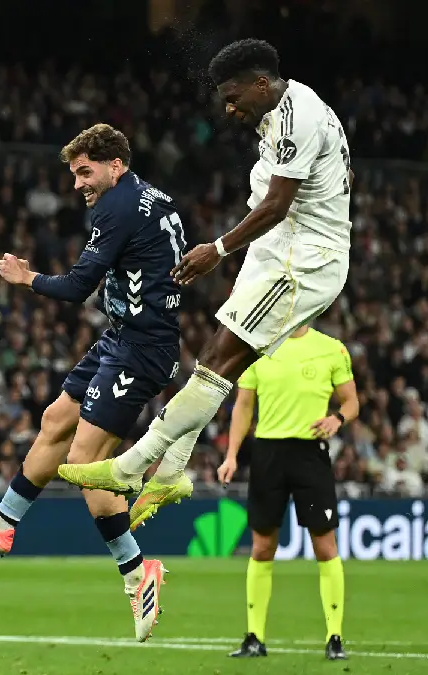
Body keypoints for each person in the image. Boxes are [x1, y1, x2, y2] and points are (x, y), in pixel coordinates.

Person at [58, 39, 354, 528]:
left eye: (234, 96)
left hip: (302, 260)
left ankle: (132, 466)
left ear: (263, 83)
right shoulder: (282, 106)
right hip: (279, 249)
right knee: (218, 366)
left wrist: (216, 250)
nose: (230, 108)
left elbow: (278, 204)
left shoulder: (297, 118)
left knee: (218, 361)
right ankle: (171, 470)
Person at [0, 123, 181, 641]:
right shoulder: (154, 198)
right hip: (123, 337)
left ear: (114, 165)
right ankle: (4, 522)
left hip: (140, 350)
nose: (78, 183)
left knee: (84, 465)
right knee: (55, 419)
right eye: (75, 174)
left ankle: (138, 572)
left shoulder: (116, 207)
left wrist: (25, 277)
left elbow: (76, 288)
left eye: (85, 171)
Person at [219, 325, 357, 660]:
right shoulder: (259, 345)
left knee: (325, 545)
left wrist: (338, 419)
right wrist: (232, 454)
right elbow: (244, 405)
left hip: (310, 455)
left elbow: (352, 400)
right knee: (262, 545)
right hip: (269, 455)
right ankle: (254, 637)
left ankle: (335, 637)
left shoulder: (332, 349)